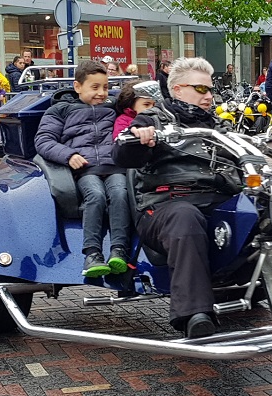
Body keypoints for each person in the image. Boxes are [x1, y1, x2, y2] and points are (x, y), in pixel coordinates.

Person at [113, 57, 245, 339]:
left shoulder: (219, 125)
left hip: (217, 199)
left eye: (211, 89)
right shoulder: (153, 119)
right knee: (185, 217)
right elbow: (124, 153)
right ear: (177, 89)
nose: (209, 96)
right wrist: (140, 137)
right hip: (166, 206)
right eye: (201, 90)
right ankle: (193, 313)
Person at [35, 60, 130, 278]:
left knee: (120, 194)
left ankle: (119, 250)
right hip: (85, 169)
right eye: (94, 87)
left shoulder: (113, 108)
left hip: (114, 166)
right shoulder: (60, 110)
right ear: (78, 87)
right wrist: (69, 156)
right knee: (95, 196)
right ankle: (92, 253)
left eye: (105, 87)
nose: (101, 93)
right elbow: (44, 140)